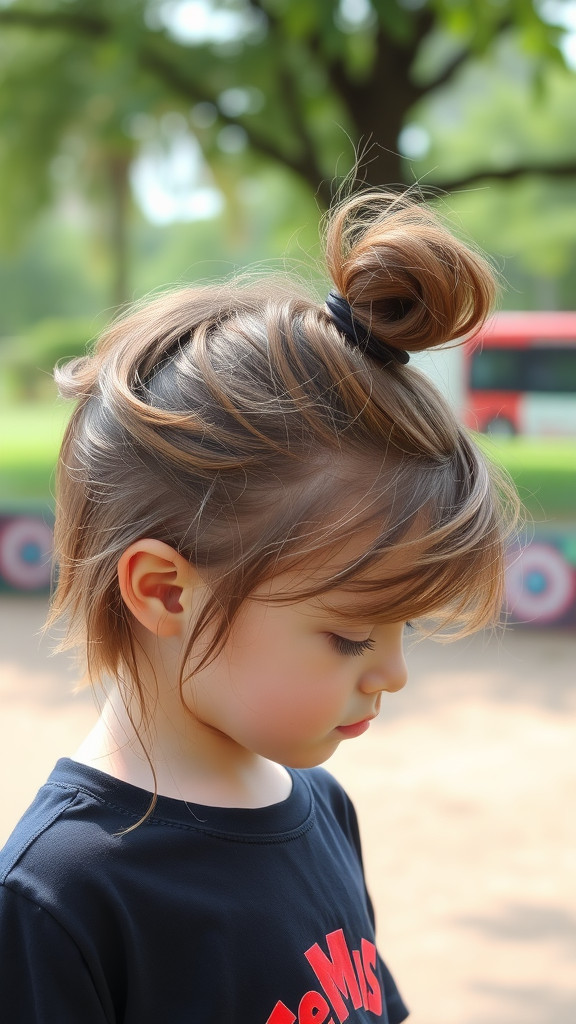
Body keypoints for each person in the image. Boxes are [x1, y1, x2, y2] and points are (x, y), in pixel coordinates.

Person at [0, 191, 515, 1024]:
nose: (393, 673)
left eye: (404, 627)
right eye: (351, 637)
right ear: (165, 590)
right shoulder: (59, 896)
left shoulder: (321, 809)